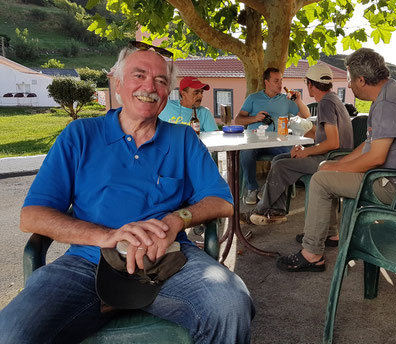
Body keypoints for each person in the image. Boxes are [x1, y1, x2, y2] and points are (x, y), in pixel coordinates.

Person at [0, 43, 254, 343]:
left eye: (161, 81)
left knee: (230, 304)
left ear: (167, 94)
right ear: (118, 84)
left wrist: (176, 220)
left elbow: (222, 201)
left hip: (167, 261)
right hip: (87, 263)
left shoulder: (183, 138)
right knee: (12, 332)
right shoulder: (81, 135)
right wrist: (107, 237)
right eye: (139, 75)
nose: (151, 86)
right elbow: (33, 216)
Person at [277, 48, 396, 272]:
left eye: (350, 80)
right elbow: (368, 145)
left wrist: (337, 167)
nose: (348, 85)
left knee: (321, 180)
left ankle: (311, 254)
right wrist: (336, 166)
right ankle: (329, 234)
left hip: (395, 186)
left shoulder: (389, 102)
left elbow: (376, 157)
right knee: (325, 170)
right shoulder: (389, 95)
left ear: (361, 79)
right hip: (394, 178)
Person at [247, 63, 353, 225]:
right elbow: (318, 132)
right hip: (334, 156)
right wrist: (302, 142)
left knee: (281, 166)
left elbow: (333, 142)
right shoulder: (333, 99)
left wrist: (306, 152)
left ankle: (261, 210)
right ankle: (277, 210)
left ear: (310, 84)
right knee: (279, 159)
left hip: (331, 159)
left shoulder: (325, 103)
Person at [235, 67, 310, 205]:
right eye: (276, 81)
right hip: (254, 140)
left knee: (291, 152)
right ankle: (252, 189)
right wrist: (255, 118)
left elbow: (306, 115)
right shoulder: (253, 98)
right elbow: (238, 120)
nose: (280, 84)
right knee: (245, 153)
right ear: (266, 82)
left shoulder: (286, 99)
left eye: (281, 80)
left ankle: (268, 188)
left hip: (278, 141)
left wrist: (298, 100)